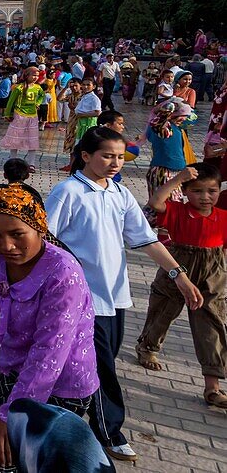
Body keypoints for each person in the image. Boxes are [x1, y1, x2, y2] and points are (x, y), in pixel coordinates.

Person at [45, 127, 203, 464]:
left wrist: (179, 275)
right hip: (81, 299)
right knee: (100, 368)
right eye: (107, 155)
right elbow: (44, 240)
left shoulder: (119, 193)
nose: (115, 162)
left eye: (119, 156)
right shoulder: (68, 192)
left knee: (99, 363)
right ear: (85, 156)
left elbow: (144, 239)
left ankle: (56, 418)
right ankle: (109, 431)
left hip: (115, 296)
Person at [0, 182, 99, 473]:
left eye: (17, 234)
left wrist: (10, 415)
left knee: (29, 464)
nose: (6, 245)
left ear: (40, 227)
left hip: (60, 389)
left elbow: (49, 353)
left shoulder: (63, 273)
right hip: (10, 375)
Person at [135, 163, 227, 409]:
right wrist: (178, 178)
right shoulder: (176, 210)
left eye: (212, 191)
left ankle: (212, 386)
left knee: (212, 324)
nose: (205, 197)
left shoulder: (223, 218)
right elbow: (155, 202)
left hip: (213, 270)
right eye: (197, 191)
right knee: (164, 311)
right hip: (177, 264)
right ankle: (147, 347)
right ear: (185, 192)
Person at [0, 66, 44, 172]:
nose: (35, 78)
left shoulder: (38, 88)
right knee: (15, 139)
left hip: (32, 116)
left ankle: (31, 163)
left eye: (37, 76)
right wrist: (7, 114)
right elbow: (11, 101)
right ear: (26, 75)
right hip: (19, 116)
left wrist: (38, 103)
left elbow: (41, 96)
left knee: (32, 140)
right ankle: (13, 160)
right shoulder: (18, 88)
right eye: (33, 75)